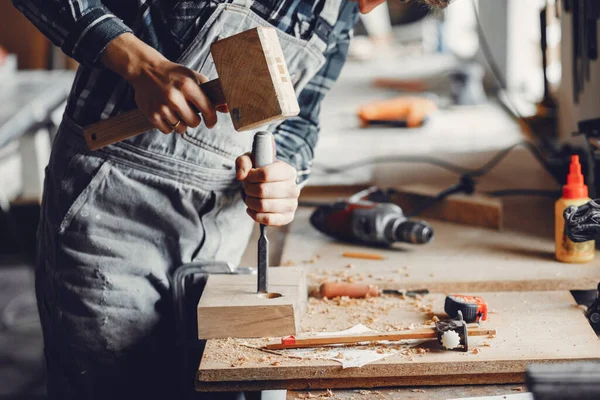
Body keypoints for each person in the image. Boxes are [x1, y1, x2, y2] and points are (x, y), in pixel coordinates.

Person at [11, 0, 451, 398]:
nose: (366, 11)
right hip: (111, 209)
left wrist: (286, 175)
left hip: (219, 232)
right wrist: (138, 62)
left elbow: (302, 122)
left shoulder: (342, 14)